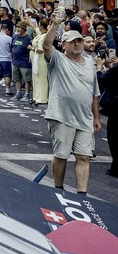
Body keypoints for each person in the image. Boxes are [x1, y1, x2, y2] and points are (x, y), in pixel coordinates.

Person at [43, 21, 101, 195]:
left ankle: (82, 195)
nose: (77, 44)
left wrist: (96, 117)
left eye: (79, 41)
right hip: (61, 115)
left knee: (84, 156)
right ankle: (58, 189)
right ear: (63, 45)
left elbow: (94, 93)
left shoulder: (90, 63)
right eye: (72, 41)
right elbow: (46, 45)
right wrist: (55, 24)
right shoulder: (57, 59)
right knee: (61, 155)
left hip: (85, 118)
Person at [11, 21, 34, 102]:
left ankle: (27, 94)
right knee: (16, 78)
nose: (17, 29)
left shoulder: (28, 38)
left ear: (24, 29)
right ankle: (18, 93)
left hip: (25, 62)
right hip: (15, 61)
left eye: (19, 28)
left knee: (27, 80)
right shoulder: (15, 37)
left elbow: (32, 47)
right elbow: (12, 46)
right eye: (17, 27)